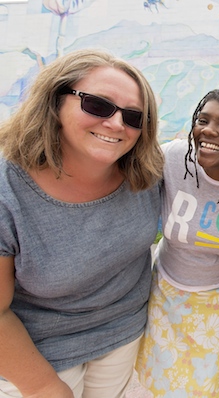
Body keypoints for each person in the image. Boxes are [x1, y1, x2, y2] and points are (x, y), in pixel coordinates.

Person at [0, 49, 164, 397]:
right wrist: (43, 385)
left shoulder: (147, 173)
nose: (117, 123)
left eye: (135, 117)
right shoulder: (7, 192)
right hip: (36, 351)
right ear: (55, 102)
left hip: (121, 334)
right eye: (98, 105)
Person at [135, 89, 219, 396]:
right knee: (165, 385)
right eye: (203, 120)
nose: (208, 130)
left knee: (207, 387)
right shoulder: (172, 159)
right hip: (167, 294)